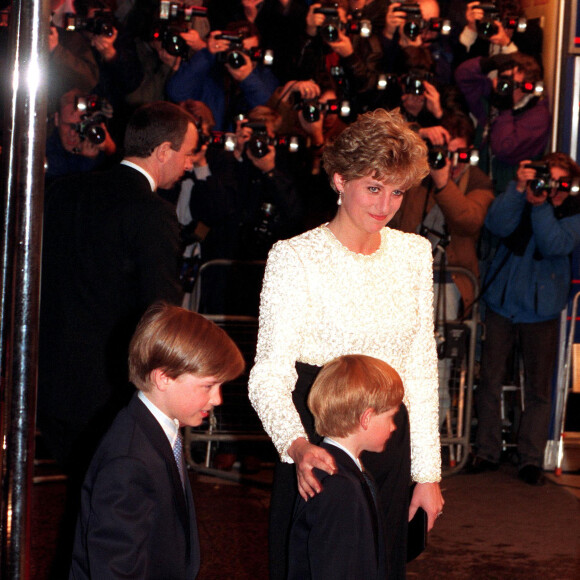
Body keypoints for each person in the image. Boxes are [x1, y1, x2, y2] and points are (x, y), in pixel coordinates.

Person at [248, 108, 444, 580]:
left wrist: (428, 473)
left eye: (397, 191)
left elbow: (419, 365)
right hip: (319, 436)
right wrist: (295, 446)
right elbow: (269, 374)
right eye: (373, 188)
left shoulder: (414, 254)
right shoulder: (294, 257)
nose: (385, 205)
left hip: (390, 442)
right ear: (339, 179)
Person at [39, 101, 198, 472]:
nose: (189, 164)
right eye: (187, 154)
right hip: (109, 388)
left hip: (49, 379)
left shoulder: (64, 191)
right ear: (163, 152)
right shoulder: (152, 211)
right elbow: (160, 307)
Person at [69, 302, 245, 579]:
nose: (217, 399)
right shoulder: (129, 461)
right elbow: (115, 568)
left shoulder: (159, 431)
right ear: (163, 378)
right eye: (209, 386)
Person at [468, 153, 580, 485]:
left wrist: (540, 205)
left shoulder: (573, 212)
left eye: (560, 182)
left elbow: (555, 243)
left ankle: (530, 458)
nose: (552, 187)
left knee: (538, 389)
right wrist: (518, 189)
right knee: (489, 380)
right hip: (502, 303)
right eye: (546, 179)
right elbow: (496, 224)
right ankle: (486, 450)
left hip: (542, 309)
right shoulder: (519, 196)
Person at [390, 112, 494, 424]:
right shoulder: (414, 177)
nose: (450, 160)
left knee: (439, 360)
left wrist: (443, 182)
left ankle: (433, 430)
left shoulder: (478, 181)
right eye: (444, 152)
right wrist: (418, 135)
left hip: (449, 282)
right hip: (407, 279)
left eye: (459, 153)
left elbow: (468, 221)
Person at [287, 354, 404, 580]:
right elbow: (336, 568)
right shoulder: (339, 486)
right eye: (391, 417)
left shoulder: (343, 472)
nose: (393, 427)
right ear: (366, 418)